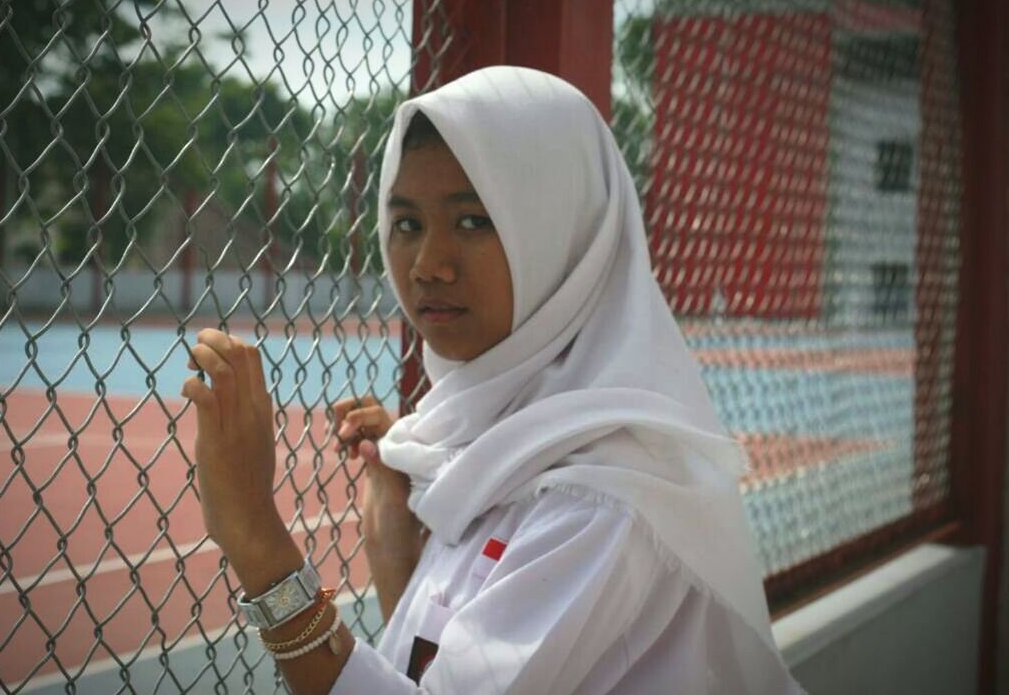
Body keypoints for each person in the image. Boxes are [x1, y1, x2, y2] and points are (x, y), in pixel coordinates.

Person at [181, 66, 804, 694]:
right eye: (407, 224)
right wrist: (398, 556)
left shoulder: (603, 496)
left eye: (474, 220)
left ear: (564, 236)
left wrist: (256, 535)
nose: (427, 264)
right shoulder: (494, 456)